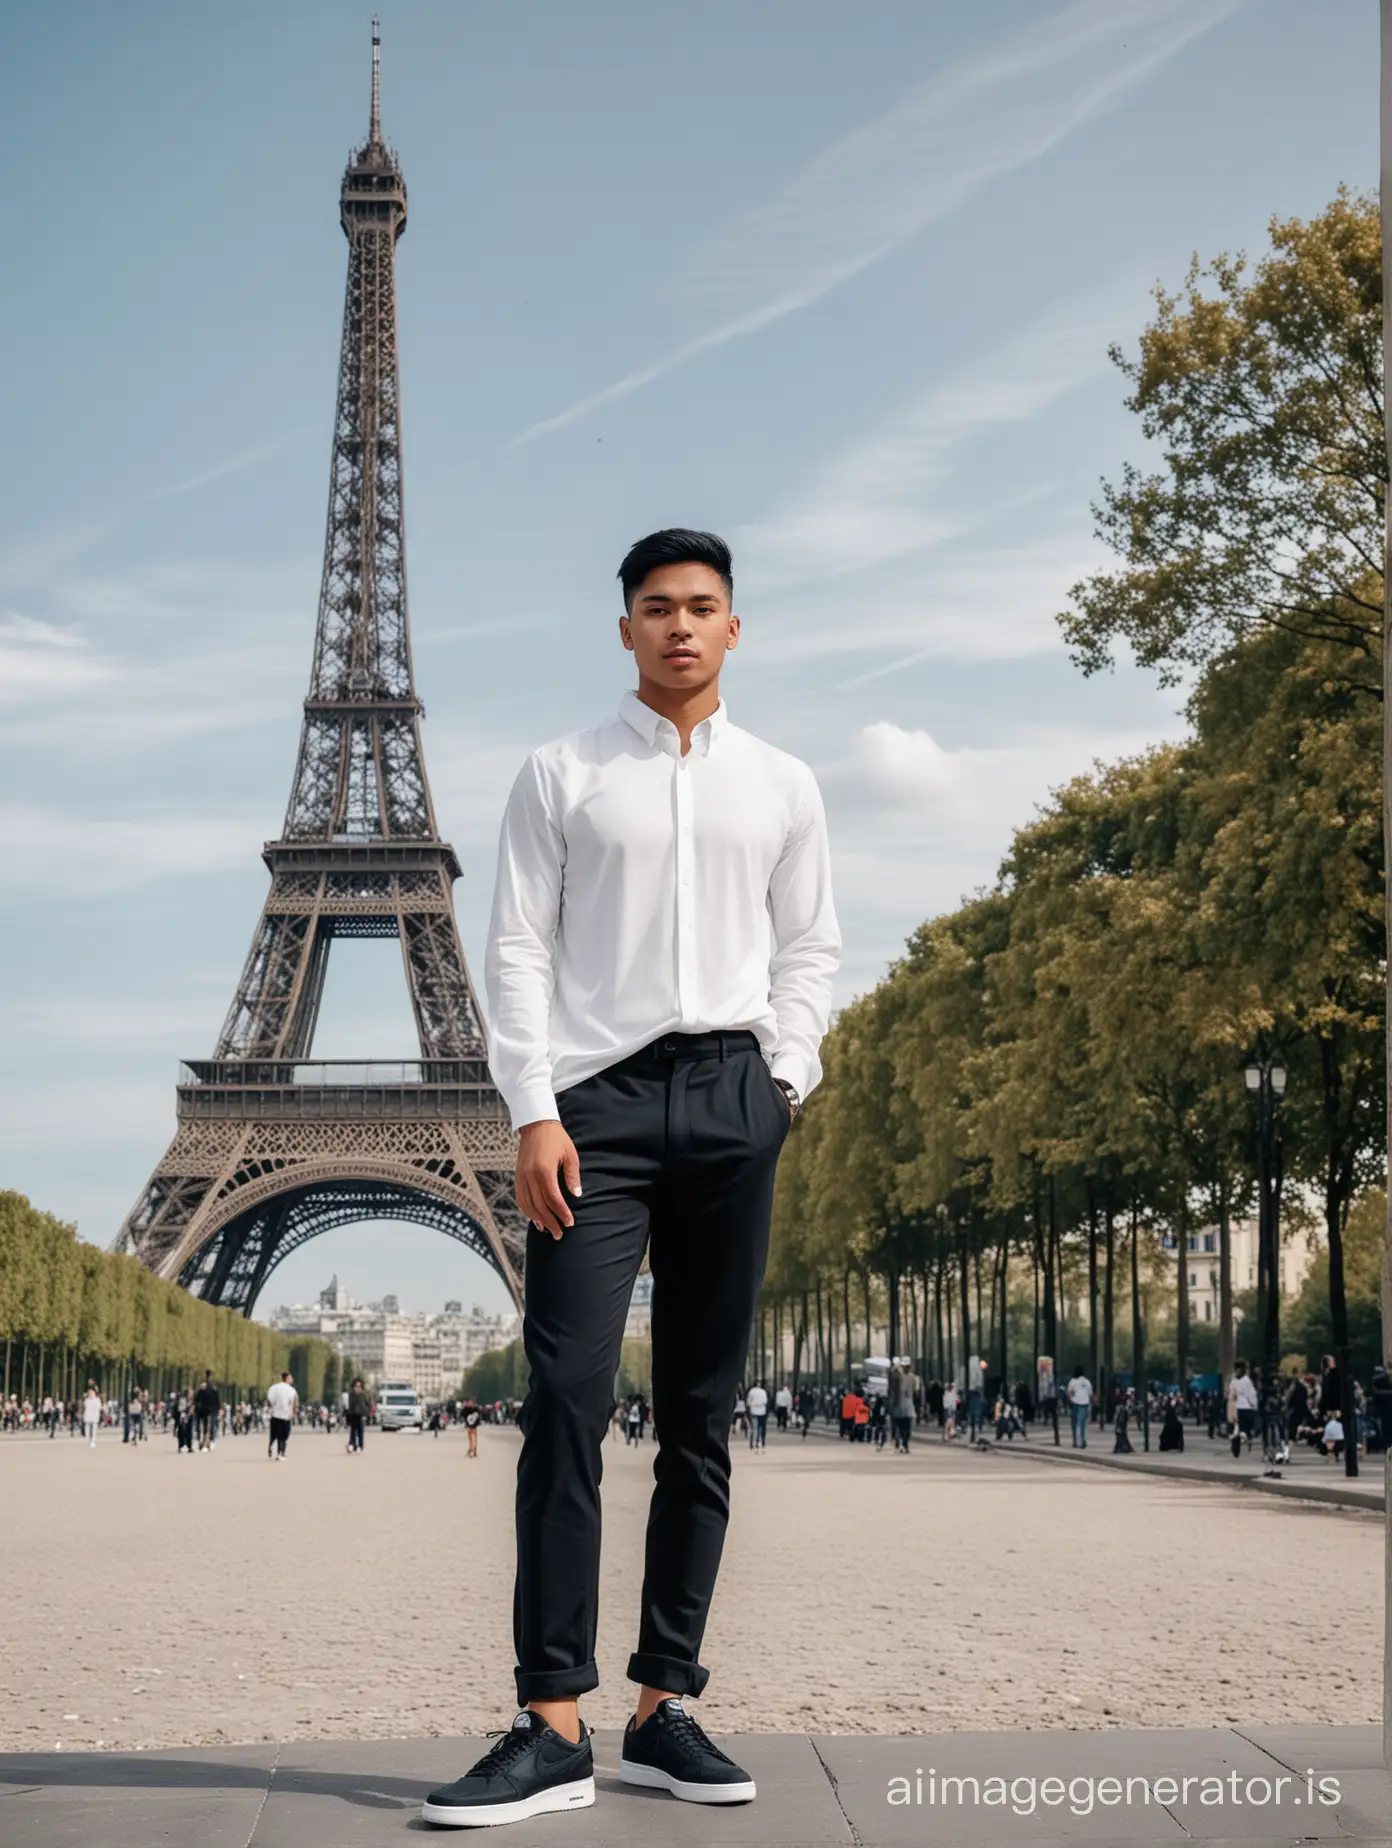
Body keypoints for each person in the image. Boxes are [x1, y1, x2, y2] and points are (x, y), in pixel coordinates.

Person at [423, 530, 838, 1830]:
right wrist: (535, 1111)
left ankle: (665, 1704)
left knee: (702, 1415)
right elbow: (517, 953)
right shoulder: (559, 774)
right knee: (564, 1395)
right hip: (591, 1114)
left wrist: (783, 1088)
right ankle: (552, 1718)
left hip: (730, 1098)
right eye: (656, 608)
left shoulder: (783, 783)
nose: (678, 627)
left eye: (701, 608)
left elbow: (811, 947)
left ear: (734, 628)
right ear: (623, 629)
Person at [266, 1371, 298, 1461]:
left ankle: (272, 1444)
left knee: (274, 1433)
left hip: (275, 1415)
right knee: (284, 1435)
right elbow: (294, 1402)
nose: (292, 1380)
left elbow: (269, 1399)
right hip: (285, 1416)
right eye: (291, 1378)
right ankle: (280, 1453)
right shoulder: (291, 1390)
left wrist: (271, 1408)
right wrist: (293, 1412)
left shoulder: (274, 1388)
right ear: (287, 1378)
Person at [1228, 1360, 1258, 1457]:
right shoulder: (1246, 1380)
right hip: (1246, 1407)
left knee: (1238, 1426)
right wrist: (1254, 1404)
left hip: (1237, 1407)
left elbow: (1231, 1395)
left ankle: (1238, 1439)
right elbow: (1251, 1394)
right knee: (1246, 1428)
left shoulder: (1233, 1381)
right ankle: (1245, 1438)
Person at [1065, 1367, 1093, 1448]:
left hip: (1075, 1403)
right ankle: (1082, 1440)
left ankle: (1075, 1441)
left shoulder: (1072, 1382)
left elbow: (1069, 1392)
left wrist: (1071, 1399)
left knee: (1074, 1423)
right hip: (1085, 1403)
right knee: (1082, 1423)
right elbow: (1090, 1393)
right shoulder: (1087, 1381)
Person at [193, 1371, 220, 1452]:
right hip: (206, 1410)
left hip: (205, 1410)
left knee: (207, 1427)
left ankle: (205, 1442)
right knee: (206, 1427)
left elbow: (196, 1399)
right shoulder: (207, 1388)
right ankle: (205, 1442)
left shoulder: (205, 1388)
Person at [346, 1377, 368, 1454]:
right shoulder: (351, 1395)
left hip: (361, 1415)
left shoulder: (363, 1395)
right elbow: (350, 1404)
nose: (358, 1388)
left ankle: (360, 1446)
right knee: (353, 1431)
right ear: (354, 1387)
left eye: (359, 1387)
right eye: (357, 1386)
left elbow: (366, 1404)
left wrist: (366, 1413)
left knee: (360, 1431)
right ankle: (352, 1445)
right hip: (353, 1414)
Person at [746, 1380, 768, 1449]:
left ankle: (753, 1442)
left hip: (753, 1410)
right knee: (760, 1427)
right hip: (762, 1411)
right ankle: (760, 1441)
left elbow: (748, 1402)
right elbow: (765, 1401)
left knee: (754, 1427)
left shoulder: (751, 1391)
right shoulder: (763, 1392)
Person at [82, 1381, 102, 1448]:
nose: (90, 1393)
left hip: (94, 1416)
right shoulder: (86, 1400)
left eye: (91, 1392)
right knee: (87, 1427)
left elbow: (99, 1407)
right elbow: (84, 1407)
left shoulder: (97, 1399)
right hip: (88, 1415)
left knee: (94, 1427)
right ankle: (87, 1439)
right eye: (89, 1392)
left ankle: (93, 1439)